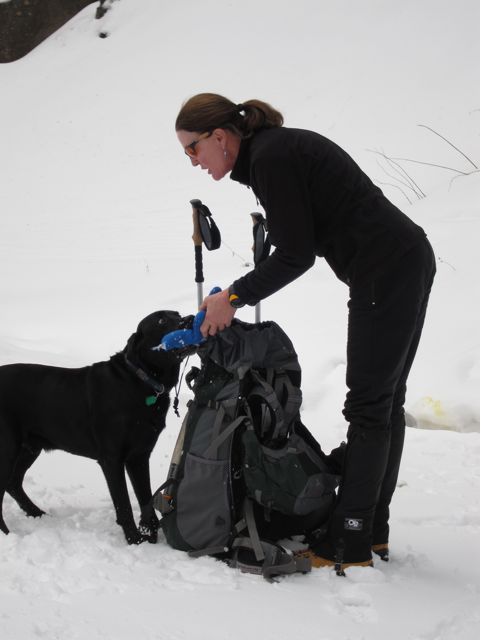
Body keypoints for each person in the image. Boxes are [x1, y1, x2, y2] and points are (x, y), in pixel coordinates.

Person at [175, 93, 436, 572]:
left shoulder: (271, 157)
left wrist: (232, 298)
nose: (192, 160)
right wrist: (235, 294)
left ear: (220, 136)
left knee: (370, 407)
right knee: (383, 403)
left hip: (386, 269)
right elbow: (301, 242)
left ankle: (350, 541)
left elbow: (296, 256)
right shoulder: (272, 153)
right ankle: (369, 530)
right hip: (399, 261)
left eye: (193, 148)